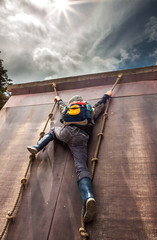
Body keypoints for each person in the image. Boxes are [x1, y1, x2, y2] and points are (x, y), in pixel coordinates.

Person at [27, 89, 112, 223]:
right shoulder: (89, 110)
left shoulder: (68, 109)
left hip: (66, 133)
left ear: (72, 103)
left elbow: (61, 106)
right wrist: (107, 95)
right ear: (82, 101)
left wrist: (57, 99)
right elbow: (101, 104)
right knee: (81, 168)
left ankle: (37, 147)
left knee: (54, 130)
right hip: (81, 138)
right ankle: (88, 196)